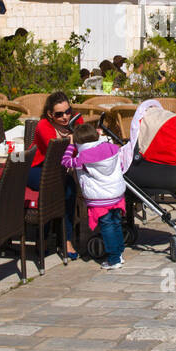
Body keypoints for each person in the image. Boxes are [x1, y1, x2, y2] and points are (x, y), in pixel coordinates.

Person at [62, 122, 133, 270]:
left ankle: (114, 259)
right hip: (117, 194)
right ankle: (119, 254)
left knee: (107, 227)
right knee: (116, 224)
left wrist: (71, 145)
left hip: (100, 198)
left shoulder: (84, 156)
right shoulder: (112, 148)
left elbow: (65, 162)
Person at [29, 91, 82, 259]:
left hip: (62, 171)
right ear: (50, 115)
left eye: (68, 111)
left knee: (68, 188)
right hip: (38, 167)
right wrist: (73, 139)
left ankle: (65, 238)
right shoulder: (44, 126)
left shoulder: (76, 121)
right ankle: (45, 236)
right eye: (59, 114)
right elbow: (56, 152)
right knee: (54, 188)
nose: (66, 117)